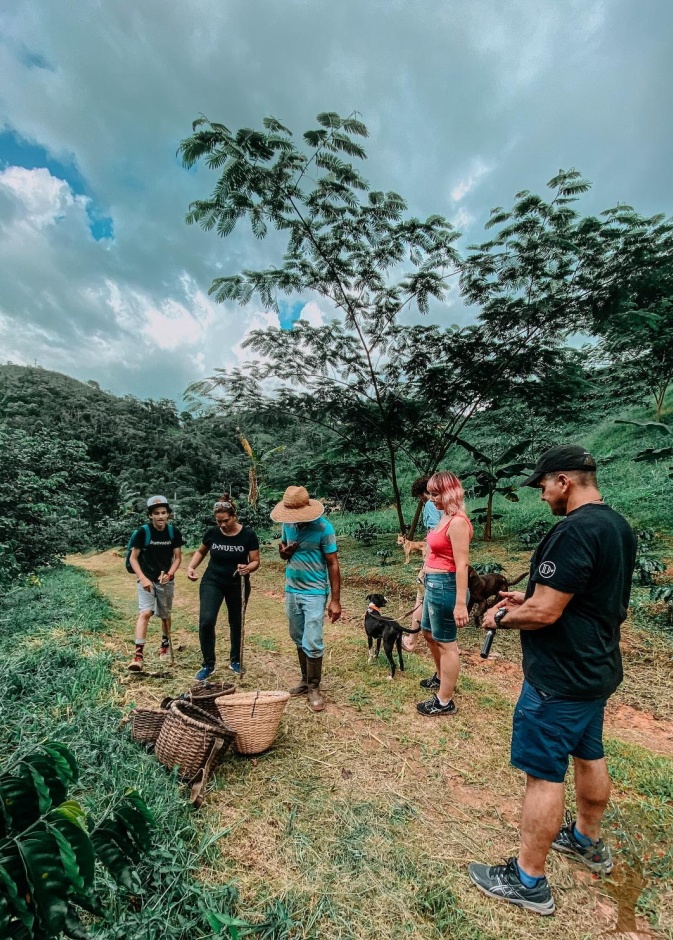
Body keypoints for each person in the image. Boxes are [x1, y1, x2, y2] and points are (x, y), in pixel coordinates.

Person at [468, 445, 637, 916]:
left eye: (543, 485)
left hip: (558, 678)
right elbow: (581, 595)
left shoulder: (572, 531)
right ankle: (586, 839)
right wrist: (529, 597)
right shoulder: (616, 526)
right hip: (596, 668)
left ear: (564, 481)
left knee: (543, 775)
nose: (542, 495)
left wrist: (500, 618)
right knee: (589, 753)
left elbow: (546, 613)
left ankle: (529, 881)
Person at [271, 486, 341, 712]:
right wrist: (285, 553)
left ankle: (314, 687)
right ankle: (304, 679)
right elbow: (283, 551)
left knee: (313, 639)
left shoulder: (323, 527)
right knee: (298, 636)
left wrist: (335, 600)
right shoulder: (287, 525)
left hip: (314, 592)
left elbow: (333, 563)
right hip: (292, 590)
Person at [416, 471, 472, 716]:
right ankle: (441, 677)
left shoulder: (458, 522)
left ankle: (444, 701)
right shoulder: (444, 517)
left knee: (446, 643)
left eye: (436, 494)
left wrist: (460, 604)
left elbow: (462, 565)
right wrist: (424, 570)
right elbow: (434, 551)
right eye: (430, 494)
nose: (431, 498)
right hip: (433, 583)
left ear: (450, 493)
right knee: (428, 633)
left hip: (446, 586)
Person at [187, 497, 260, 681]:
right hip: (213, 581)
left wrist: (247, 568)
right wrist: (191, 567)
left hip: (237, 583)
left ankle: (235, 661)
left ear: (234, 516)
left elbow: (255, 561)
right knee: (206, 621)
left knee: (236, 622)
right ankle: (208, 664)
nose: (222, 525)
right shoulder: (212, 533)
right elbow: (201, 551)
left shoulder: (248, 535)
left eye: (226, 520)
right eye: (219, 521)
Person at [127, 495, 184, 672]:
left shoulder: (173, 532)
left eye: (163, 513)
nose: (160, 516)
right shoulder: (143, 532)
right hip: (146, 578)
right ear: (150, 515)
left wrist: (170, 574)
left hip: (165, 579)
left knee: (165, 614)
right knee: (145, 612)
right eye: (156, 513)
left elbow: (177, 557)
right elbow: (133, 558)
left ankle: (164, 647)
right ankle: (138, 656)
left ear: (168, 514)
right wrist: (142, 578)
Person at [402, 475, 443, 654]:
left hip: (434, 559)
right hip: (444, 561)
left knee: (421, 597)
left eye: (420, 496)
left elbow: (434, 533)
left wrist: (427, 562)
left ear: (423, 493)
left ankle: (411, 641)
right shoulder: (448, 506)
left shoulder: (431, 505)